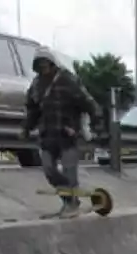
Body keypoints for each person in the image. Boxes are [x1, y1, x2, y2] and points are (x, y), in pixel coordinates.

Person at [20, 48, 104, 218]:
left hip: (68, 135)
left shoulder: (68, 80)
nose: (43, 68)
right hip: (47, 136)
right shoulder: (36, 85)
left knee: (69, 171)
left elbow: (88, 102)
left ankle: (72, 203)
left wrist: (97, 125)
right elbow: (32, 111)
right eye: (39, 66)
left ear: (52, 63)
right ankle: (69, 198)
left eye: (45, 64)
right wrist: (26, 129)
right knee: (49, 171)